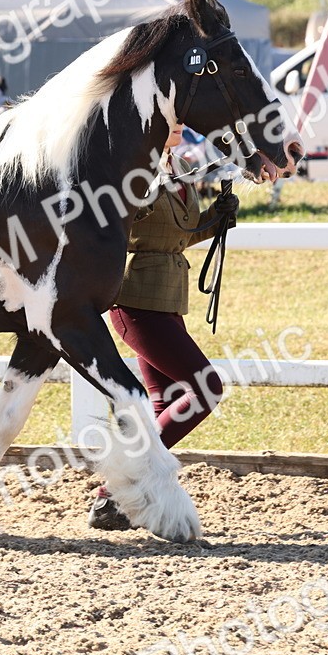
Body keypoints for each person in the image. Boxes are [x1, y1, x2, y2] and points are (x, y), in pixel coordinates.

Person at [88, 122, 238, 531]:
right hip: (136, 300)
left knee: (167, 400)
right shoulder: (135, 171)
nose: (179, 126)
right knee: (207, 387)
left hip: (168, 298)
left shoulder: (180, 166)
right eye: (170, 121)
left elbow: (175, 237)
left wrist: (215, 220)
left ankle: (112, 500)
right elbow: (129, 231)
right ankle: (121, 486)